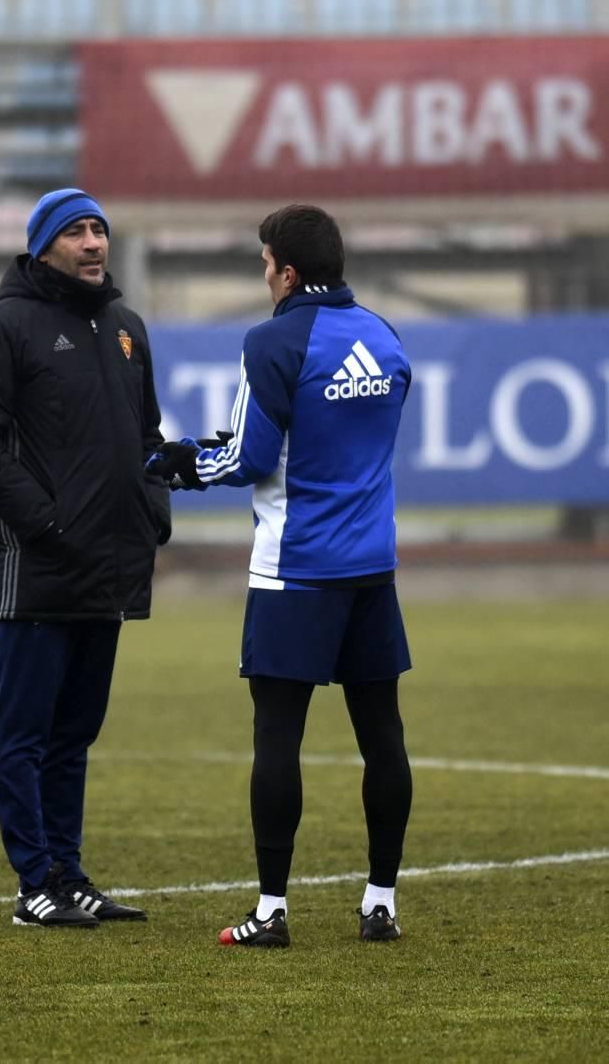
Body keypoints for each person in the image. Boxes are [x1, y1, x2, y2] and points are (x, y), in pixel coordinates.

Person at [147, 204, 412, 948]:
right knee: (383, 735)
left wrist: (184, 462)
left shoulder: (272, 341)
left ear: (287, 272)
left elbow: (251, 461)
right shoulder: (385, 337)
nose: (264, 276)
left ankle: (270, 912)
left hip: (294, 571)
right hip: (371, 569)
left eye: (265, 264)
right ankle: (380, 902)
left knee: (277, 738)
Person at [0, 188, 171, 928]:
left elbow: (147, 437)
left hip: (109, 567)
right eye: (76, 231)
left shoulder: (126, 327)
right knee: (22, 736)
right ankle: (32, 881)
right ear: (42, 244)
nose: (93, 243)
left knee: (74, 735)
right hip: (40, 563)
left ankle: (68, 875)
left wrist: (153, 513)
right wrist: (44, 520)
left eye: (100, 230)